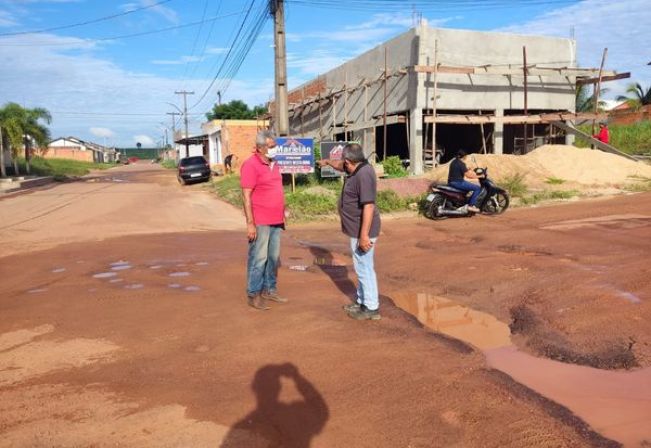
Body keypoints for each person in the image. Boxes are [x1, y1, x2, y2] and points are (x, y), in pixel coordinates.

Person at [318, 143, 381, 321]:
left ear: (349, 161)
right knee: (361, 267)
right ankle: (363, 301)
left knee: (365, 268)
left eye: (343, 163)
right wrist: (328, 162)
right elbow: (339, 165)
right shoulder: (355, 168)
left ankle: (371, 307)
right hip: (356, 229)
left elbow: (368, 206)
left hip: (364, 231)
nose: (342, 166)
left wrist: (363, 235)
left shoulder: (364, 174)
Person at [240, 130, 288, 310]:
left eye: (275, 146)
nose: (274, 149)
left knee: (273, 258)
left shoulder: (275, 164)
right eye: (271, 146)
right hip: (260, 221)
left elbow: (276, 189)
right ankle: (254, 294)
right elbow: (246, 196)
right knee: (258, 258)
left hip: (276, 219)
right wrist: (250, 223)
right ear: (260, 148)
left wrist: (284, 210)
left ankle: (269, 289)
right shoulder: (251, 165)